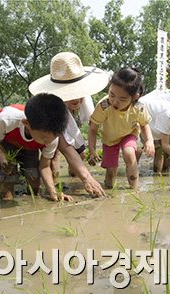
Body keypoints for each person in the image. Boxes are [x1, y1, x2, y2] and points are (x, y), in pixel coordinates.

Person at [28, 52, 108, 197]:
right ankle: (51, 186)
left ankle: (72, 174)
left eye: (79, 92)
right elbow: (65, 146)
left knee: (80, 154)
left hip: (61, 130)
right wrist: (87, 178)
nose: (76, 100)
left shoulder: (87, 101)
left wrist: (92, 150)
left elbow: (93, 126)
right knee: (53, 155)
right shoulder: (51, 106)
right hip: (47, 132)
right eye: (70, 94)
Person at [0, 94, 73, 202]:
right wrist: (3, 159)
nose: (48, 142)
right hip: (4, 139)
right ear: (26, 123)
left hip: (29, 145)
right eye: (44, 138)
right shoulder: (5, 120)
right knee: (7, 177)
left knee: (33, 179)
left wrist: (53, 191)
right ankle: (6, 201)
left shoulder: (52, 138)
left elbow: (44, 166)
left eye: (52, 138)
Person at [88, 67, 155, 190]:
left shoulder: (138, 107)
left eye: (122, 99)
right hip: (109, 139)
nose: (115, 101)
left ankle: (135, 190)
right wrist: (92, 149)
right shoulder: (104, 106)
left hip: (129, 133)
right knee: (111, 171)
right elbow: (93, 129)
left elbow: (145, 124)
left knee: (129, 153)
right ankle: (109, 194)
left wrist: (149, 141)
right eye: (112, 95)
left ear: (134, 97)